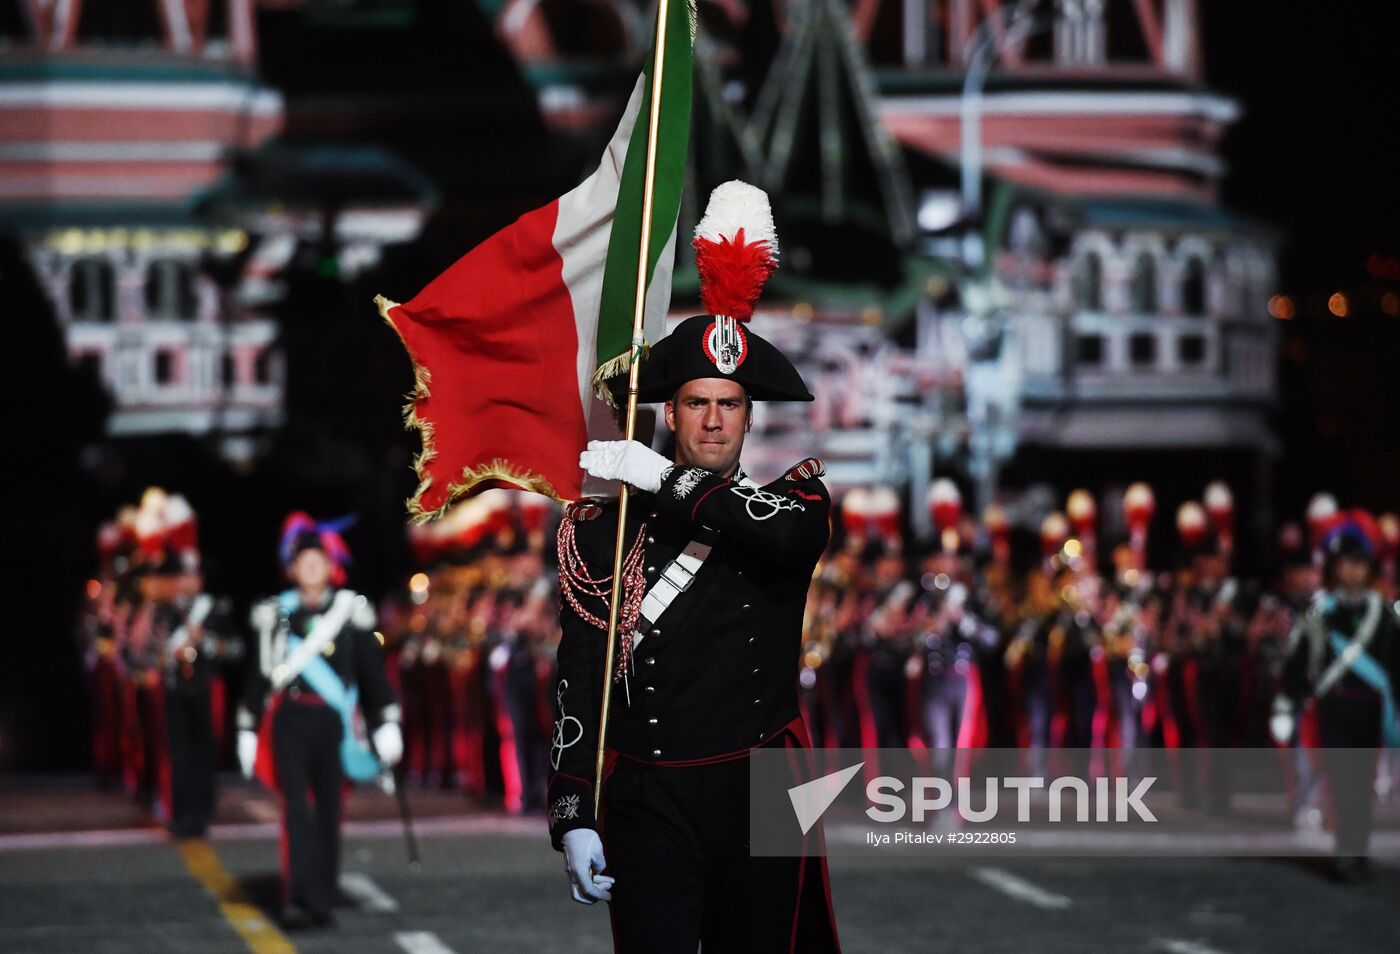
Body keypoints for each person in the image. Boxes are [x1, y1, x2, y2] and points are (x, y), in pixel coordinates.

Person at [546, 181, 841, 953]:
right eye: (696, 402)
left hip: (767, 782)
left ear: (749, 414)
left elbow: (772, 538)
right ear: (668, 412)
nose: (714, 420)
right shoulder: (603, 534)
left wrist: (657, 477)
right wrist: (573, 810)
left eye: (732, 404)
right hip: (649, 789)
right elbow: (581, 675)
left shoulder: (795, 504)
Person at [237, 513, 404, 929]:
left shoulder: (351, 614)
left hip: (334, 725)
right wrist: (246, 725)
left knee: (330, 811)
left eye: (319, 561)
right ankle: (296, 896)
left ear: (331, 567)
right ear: (292, 569)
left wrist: (386, 722)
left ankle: (322, 899)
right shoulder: (276, 616)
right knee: (295, 807)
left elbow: (372, 675)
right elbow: (259, 675)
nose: (312, 569)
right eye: (304, 562)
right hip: (290, 719)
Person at [1276, 513, 1400, 882]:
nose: (1352, 573)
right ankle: (1345, 851)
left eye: (1359, 565)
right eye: (1346, 565)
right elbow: (1299, 662)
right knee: (1341, 777)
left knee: (1362, 780)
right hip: (1335, 705)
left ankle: (1357, 848)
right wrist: (1287, 701)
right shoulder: (1320, 613)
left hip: (1370, 706)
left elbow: (1395, 662)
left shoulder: (1382, 613)